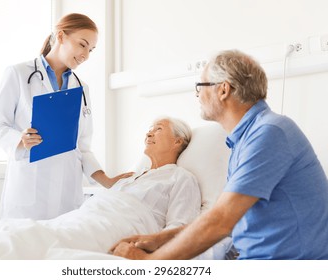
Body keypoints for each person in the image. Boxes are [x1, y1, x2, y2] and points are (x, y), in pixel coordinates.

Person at [111, 49, 328, 260]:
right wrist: (159, 239)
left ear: (223, 90)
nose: (197, 94)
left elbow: (222, 220)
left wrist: (151, 264)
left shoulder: (270, 132)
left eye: (201, 85)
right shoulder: (244, 139)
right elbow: (229, 219)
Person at [0, 117, 201, 259]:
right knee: (19, 230)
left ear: (178, 140)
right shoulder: (131, 177)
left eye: (158, 129)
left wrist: (145, 250)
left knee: (31, 241)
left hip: (119, 226)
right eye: (148, 128)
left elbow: (180, 229)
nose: (149, 132)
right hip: (87, 215)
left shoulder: (180, 178)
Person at [0, 13, 133, 220]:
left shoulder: (81, 89)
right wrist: (20, 140)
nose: (86, 55)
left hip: (66, 191)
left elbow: (82, 146)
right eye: (82, 45)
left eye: (90, 50)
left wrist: (106, 180)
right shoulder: (18, 74)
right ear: (61, 36)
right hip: (29, 187)